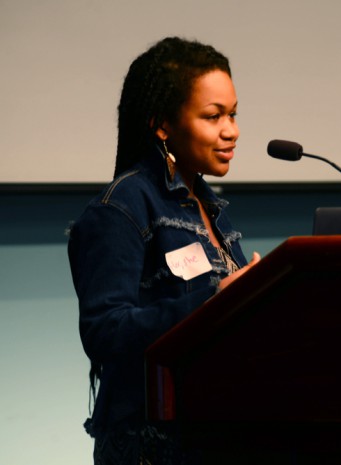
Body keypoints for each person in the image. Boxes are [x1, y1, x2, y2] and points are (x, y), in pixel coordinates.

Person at [68, 36, 260, 464]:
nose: (231, 130)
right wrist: (214, 302)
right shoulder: (121, 208)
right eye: (213, 116)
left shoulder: (210, 208)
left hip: (214, 436)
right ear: (162, 125)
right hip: (149, 446)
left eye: (233, 114)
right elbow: (105, 333)